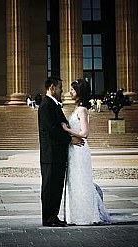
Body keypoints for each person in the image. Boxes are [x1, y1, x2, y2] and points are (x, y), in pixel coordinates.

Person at [61, 79, 113, 225]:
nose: (70, 92)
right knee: (74, 181)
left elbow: (85, 133)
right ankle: (75, 215)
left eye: (73, 90)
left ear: (80, 92)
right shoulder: (76, 109)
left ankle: (85, 215)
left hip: (80, 150)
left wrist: (67, 130)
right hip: (73, 150)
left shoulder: (82, 110)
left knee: (81, 180)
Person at [38, 77, 84, 227]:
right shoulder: (46, 105)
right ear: (52, 88)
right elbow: (53, 129)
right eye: (60, 88)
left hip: (57, 154)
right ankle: (48, 218)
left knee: (56, 186)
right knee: (50, 187)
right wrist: (70, 139)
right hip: (51, 155)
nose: (62, 91)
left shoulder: (53, 104)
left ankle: (54, 216)